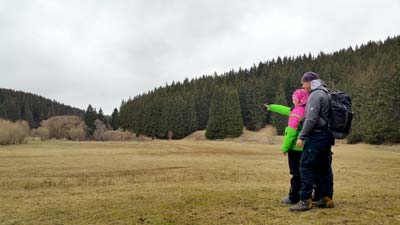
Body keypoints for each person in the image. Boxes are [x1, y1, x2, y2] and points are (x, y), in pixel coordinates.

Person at [290, 72, 335, 212]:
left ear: (310, 82)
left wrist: (302, 136)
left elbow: (311, 119)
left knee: (305, 165)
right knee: (324, 167)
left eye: (303, 83)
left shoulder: (316, 94)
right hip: (327, 136)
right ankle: (326, 198)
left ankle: (305, 200)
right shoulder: (326, 92)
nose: (303, 86)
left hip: (316, 136)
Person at [265, 89, 309, 205]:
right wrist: (272, 107)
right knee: (305, 173)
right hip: (306, 148)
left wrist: (285, 148)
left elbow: (291, 133)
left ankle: (293, 197)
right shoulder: (306, 110)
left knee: (296, 174)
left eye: (294, 98)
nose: (292, 100)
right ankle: (306, 195)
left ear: (299, 100)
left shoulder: (296, 113)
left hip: (295, 149)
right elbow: (285, 110)